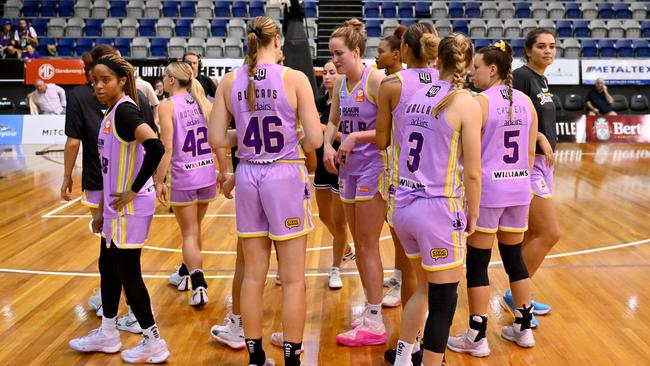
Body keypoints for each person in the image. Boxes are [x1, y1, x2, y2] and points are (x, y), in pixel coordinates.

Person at [208, 16, 322, 366]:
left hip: (248, 175)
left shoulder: (229, 81)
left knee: (253, 277)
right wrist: (291, 136)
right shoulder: (295, 78)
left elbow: (216, 140)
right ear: (277, 43)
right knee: (292, 280)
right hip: (284, 175)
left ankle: (256, 358)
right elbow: (315, 139)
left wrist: (243, 137)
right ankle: (291, 357)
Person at [379, 32, 481, 366]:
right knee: (443, 299)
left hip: (405, 206)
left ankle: (403, 356)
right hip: (437, 208)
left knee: (422, 290)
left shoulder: (416, 93)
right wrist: (474, 214)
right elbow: (473, 173)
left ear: (438, 60)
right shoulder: (465, 102)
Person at [68, 53, 170, 364]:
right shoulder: (113, 111)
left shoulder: (125, 112)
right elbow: (112, 167)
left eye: (105, 80)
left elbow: (156, 147)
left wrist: (134, 190)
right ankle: (108, 332)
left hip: (130, 207)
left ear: (122, 80)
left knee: (129, 274)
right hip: (114, 207)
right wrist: (100, 209)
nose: (97, 85)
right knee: (107, 265)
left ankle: (154, 342)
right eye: (94, 80)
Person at [447, 40, 538, 358]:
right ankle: (524, 328)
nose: (472, 73)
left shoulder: (479, 103)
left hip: (488, 192)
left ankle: (477, 335)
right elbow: (529, 154)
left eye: (476, 68)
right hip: (519, 190)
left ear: (493, 69)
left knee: (478, 264)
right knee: (516, 260)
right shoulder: (526, 102)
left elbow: (465, 154)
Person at [375, 22, 440, 365]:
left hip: (405, 187)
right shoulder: (450, 84)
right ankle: (428, 345)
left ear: (406, 50)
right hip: (444, 189)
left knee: (410, 273)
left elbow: (382, 140)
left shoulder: (392, 84)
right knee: (440, 278)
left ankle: (411, 345)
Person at [323, 18, 387, 347]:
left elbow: (388, 133)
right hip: (348, 168)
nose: (335, 60)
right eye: (332, 54)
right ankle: (372, 309)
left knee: (366, 244)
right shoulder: (339, 85)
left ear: (356, 52)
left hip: (373, 168)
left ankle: (375, 320)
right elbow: (333, 121)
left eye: (340, 54)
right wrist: (327, 146)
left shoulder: (375, 80)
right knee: (359, 247)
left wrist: (355, 137)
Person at [155, 61, 220, 307]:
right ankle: (184, 272)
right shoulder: (204, 103)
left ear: (172, 80)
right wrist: (222, 171)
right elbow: (217, 143)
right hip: (206, 174)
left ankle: (198, 283)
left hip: (184, 176)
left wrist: (158, 181)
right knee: (194, 231)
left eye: (165, 76)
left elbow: (168, 148)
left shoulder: (167, 106)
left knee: (189, 234)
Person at [505, 28, 559, 326]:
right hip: (528, 165)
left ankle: (519, 295)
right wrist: (538, 136)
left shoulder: (542, 78)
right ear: (528, 50)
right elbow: (512, 114)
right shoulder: (523, 77)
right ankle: (517, 298)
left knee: (527, 235)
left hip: (544, 166)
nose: (548, 51)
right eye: (541, 46)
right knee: (549, 233)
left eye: (552, 46)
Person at [375, 25, 411, 310]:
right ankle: (399, 277)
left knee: (401, 232)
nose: (376, 56)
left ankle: (404, 284)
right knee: (396, 230)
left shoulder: (395, 84)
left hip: (399, 166)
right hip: (395, 165)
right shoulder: (392, 81)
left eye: (381, 51)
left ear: (397, 54)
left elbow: (381, 137)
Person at [314, 60, 354, 290]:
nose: (328, 76)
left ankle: (335, 268)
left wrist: (327, 133)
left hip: (341, 164)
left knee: (339, 222)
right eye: (325, 73)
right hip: (321, 164)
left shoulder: (347, 104)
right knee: (323, 215)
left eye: (333, 72)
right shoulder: (318, 103)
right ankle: (346, 248)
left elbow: (349, 136)